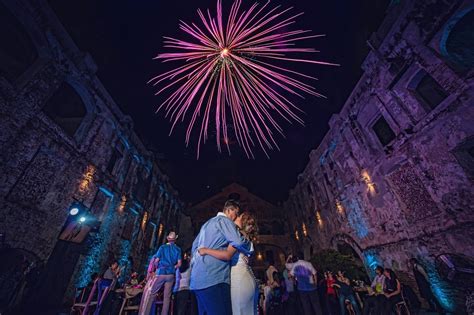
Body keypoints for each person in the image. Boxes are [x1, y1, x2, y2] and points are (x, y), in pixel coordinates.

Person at [190, 200, 251, 315]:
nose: (235, 217)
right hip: (214, 278)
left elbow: (194, 246)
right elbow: (238, 241)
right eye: (235, 213)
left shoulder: (206, 224)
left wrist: (197, 262)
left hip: (197, 281)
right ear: (229, 210)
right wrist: (247, 244)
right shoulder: (224, 220)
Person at [139, 231, 182, 315]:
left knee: (152, 294)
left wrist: (157, 267)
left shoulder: (162, 247)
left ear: (168, 239)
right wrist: (173, 267)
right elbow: (179, 264)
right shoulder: (178, 249)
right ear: (175, 239)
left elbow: (156, 261)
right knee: (167, 297)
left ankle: (146, 313)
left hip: (161, 273)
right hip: (170, 275)